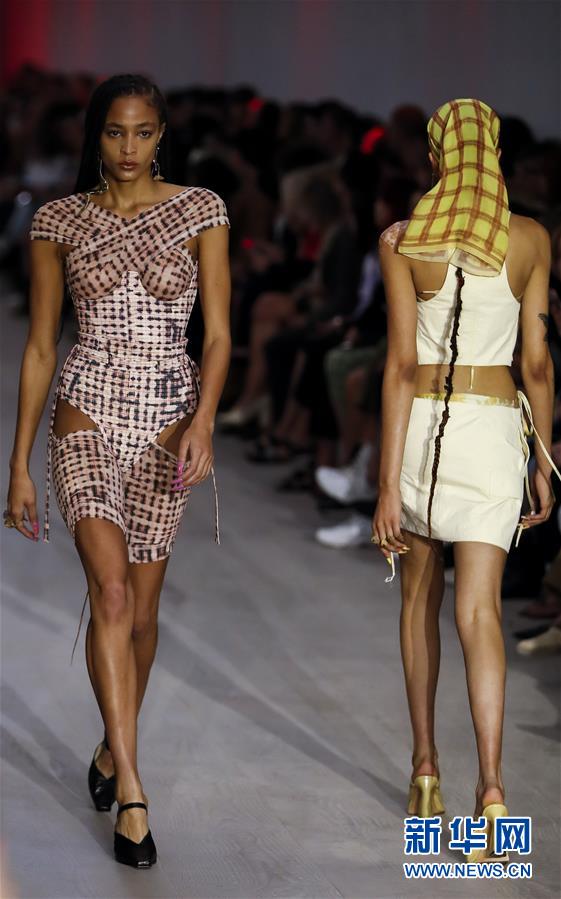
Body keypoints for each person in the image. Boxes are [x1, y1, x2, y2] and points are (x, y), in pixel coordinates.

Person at [3, 74, 231, 868]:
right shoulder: (57, 220)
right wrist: (18, 462)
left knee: (140, 615)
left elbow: (218, 334)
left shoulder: (201, 210)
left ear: (162, 134)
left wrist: (204, 421)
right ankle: (132, 789)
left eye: (142, 132)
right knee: (110, 591)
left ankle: (110, 741)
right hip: (86, 411)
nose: (128, 147)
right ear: (94, 136)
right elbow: (41, 345)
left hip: (168, 419)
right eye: (113, 132)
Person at [370, 99, 561, 862]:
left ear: (435, 158)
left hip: (422, 430)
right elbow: (536, 364)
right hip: (490, 432)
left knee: (419, 599)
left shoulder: (402, 239)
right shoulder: (529, 238)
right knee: (479, 612)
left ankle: (425, 771)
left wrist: (386, 483)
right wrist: (542, 458)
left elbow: (398, 365)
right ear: (496, 155)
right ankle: (491, 791)